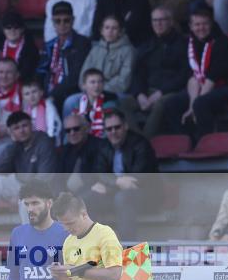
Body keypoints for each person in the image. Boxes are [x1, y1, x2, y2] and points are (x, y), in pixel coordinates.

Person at [0, 111, 59, 230]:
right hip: (23, 186)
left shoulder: (43, 142)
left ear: (32, 126)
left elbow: (45, 177)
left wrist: (24, 192)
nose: (22, 130)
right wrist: (14, 144)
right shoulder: (16, 146)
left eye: (24, 126)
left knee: (27, 198)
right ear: (11, 132)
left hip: (45, 191)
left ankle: (32, 237)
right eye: (16, 128)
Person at [164, 5, 228, 138]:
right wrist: (192, 104)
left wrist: (194, 106)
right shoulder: (190, 43)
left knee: (201, 104)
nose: (201, 28)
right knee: (170, 104)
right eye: (197, 24)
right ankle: (186, 141)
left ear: (211, 24)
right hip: (198, 86)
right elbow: (193, 77)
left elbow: (211, 79)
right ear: (191, 26)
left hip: (223, 87)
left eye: (205, 24)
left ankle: (204, 141)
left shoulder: (222, 43)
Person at [85, 109, 158, 240]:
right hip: (116, 192)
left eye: (117, 127)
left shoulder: (141, 144)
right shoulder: (104, 146)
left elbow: (137, 180)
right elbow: (98, 172)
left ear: (125, 126)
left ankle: (126, 246)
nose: (113, 132)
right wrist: (116, 182)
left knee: (123, 197)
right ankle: (93, 244)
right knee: (89, 197)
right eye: (109, 129)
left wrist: (109, 185)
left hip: (145, 195)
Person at [129, 6, 189, 138]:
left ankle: (144, 141)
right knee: (119, 104)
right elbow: (138, 73)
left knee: (161, 104)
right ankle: (137, 137)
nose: (158, 24)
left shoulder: (183, 44)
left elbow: (184, 75)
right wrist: (140, 94)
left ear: (171, 22)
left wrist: (160, 93)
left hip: (170, 92)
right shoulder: (148, 44)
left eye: (162, 20)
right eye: (154, 20)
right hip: (148, 91)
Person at [38, 2, 93, 112]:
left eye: (66, 20)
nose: (62, 25)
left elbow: (75, 76)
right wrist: (37, 91)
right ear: (53, 23)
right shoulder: (49, 45)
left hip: (68, 92)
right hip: (48, 91)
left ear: (73, 20)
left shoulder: (82, 43)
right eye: (58, 21)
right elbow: (40, 71)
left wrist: (53, 95)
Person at [80, 15, 135, 97]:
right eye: (107, 28)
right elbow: (84, 74)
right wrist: (89, 88)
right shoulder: (95, 49)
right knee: (70, 102)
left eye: (114, 28)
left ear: (120, 32)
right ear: (102, 31)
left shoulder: (128, 51)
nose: (110, 31)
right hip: (91, 92)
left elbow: (124, 80)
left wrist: (99, 88)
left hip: (115, 93)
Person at [0, 12, 40, 86]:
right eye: (8, 27)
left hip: (20, 86)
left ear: (22, 29)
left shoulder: (30, 49)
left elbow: (27, 73)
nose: (12, 30)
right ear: (3, 30)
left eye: (16, 27)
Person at [61, 112, 114, 182]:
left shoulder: (100, 146)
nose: (72, 133)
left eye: (76, 129)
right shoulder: (65, 150)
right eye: (68, 130)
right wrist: (62, 192)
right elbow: (58, 179)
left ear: (86, 128)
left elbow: (98, 177)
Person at [63, 68, 119, 134]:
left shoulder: (110, 104)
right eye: (93, 82)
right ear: (84, 85)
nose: (97, 85)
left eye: (100, 82)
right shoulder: (78, 104)